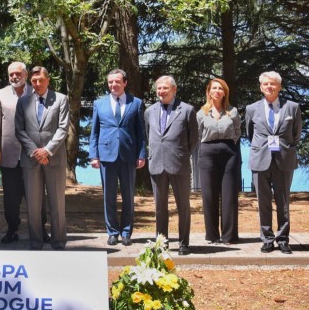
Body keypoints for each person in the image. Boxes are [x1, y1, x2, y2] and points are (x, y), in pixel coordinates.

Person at [245, 71, 302, 254]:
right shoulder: (251, 109)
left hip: (283, 159)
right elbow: (250, 133)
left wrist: (286, 146)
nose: (269, 87)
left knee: (283, 201)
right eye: (266, 84)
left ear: (279, 86)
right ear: (261, 87)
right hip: (260, 159)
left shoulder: (292, 107)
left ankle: (283, 239)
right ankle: (267, 239)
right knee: (263, 202)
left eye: (273, 84)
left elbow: (296, 134)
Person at [14, 66, 70, 250]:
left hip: (54, 159)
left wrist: (47, 150)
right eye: (34, 81)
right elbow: (19, 130)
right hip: (31, 160)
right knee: (33, 205)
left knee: (57, 204)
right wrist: (35, 151)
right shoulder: (23, 101)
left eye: (41, 80)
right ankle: (36, 242)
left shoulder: (61, 99)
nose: (37, 84)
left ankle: (58, 242)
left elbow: (63, 128)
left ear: (48, 80)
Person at [89, 68, 146, 246]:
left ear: (125, 83)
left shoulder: (136, 103)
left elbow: (141, 133)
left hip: (128, 155)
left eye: (117, 82)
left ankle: (126, 232)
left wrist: (141, 154)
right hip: (106, 156)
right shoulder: (99, 104)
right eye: (110, 82)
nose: (113, 85)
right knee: (109, 196)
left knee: (128, 196)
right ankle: (112, 232)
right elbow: (94, 132)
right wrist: (94, 155)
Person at [144, 76, 198, 255]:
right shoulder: (149, 111)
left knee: (183, 206)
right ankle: (161, 244)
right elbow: (148, 135)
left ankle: (184, 243)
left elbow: (193, 140)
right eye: (159, 88)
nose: (161, 91)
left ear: (174, 90)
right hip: (157, 164)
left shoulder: (187, 110)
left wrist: (181, 154)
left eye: (165, 88)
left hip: (179, 164)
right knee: (160, 208)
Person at [0, 62, 42, 244]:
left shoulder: (36, 92)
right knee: (11, 198)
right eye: (11, 74)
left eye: (18, 74)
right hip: (8, 153)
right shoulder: (0, 94)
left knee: (36, 196)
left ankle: (40, 230)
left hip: (33, 153)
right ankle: (12, 229)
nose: (14, 77)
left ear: (26, 75)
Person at [197, 78, 241, 245]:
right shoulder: (201, 113)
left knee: (229, 195)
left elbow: (237, 131)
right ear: (209, 92)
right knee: (209, 195)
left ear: (225, 93)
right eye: (214, 88)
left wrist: (227, 145)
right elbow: (198, 134)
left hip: (229, 153)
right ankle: (212, 235)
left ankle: (229, 236)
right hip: (207, 153)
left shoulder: (233, 112)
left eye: (220, 88)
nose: (217, 91)